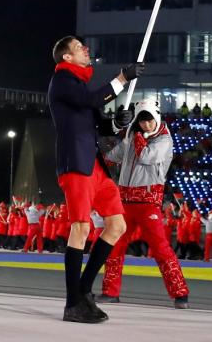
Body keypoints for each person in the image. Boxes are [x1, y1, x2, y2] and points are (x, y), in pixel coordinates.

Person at [47, 35, 139, 323]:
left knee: (117, 225)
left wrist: (116, 122)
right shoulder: (62, 81)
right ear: (66, 58)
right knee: (81, 228)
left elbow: (99, 123)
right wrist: (121, 80)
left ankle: (84, 290)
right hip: (75, 164)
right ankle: (72, 303)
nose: (85, 49)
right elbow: (90, 100)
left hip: (94, 165)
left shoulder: (80, 85)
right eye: (78, 48)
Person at [97, 100, 189, 308]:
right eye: (142, 121)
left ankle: (180, 293)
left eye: (149, 121)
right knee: (114, 246)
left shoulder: (164, 139)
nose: (146, 125)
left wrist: (134, 134)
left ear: (156, 118)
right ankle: (110, 291)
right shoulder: (132, 137)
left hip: (148, 203)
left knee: (160, 248)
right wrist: (96, 158)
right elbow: (113, 157)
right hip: (124, 201)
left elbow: (147, 156)